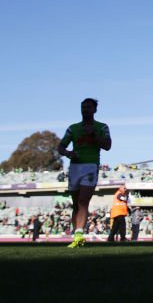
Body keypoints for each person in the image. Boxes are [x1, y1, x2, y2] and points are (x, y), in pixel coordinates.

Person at [56, 97, 112, 249]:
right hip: (74, 167)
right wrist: (68, 153)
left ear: (95, 110)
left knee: (82, 201)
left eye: (88, 107)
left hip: (90, 166)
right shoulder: (73, 128)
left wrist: (93, 134)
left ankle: (79, 235)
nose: (85, 110)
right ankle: (77, 236)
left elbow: (108, 145)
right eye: (83, 107)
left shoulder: (102, 127)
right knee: (76, 204)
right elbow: (60, 147)